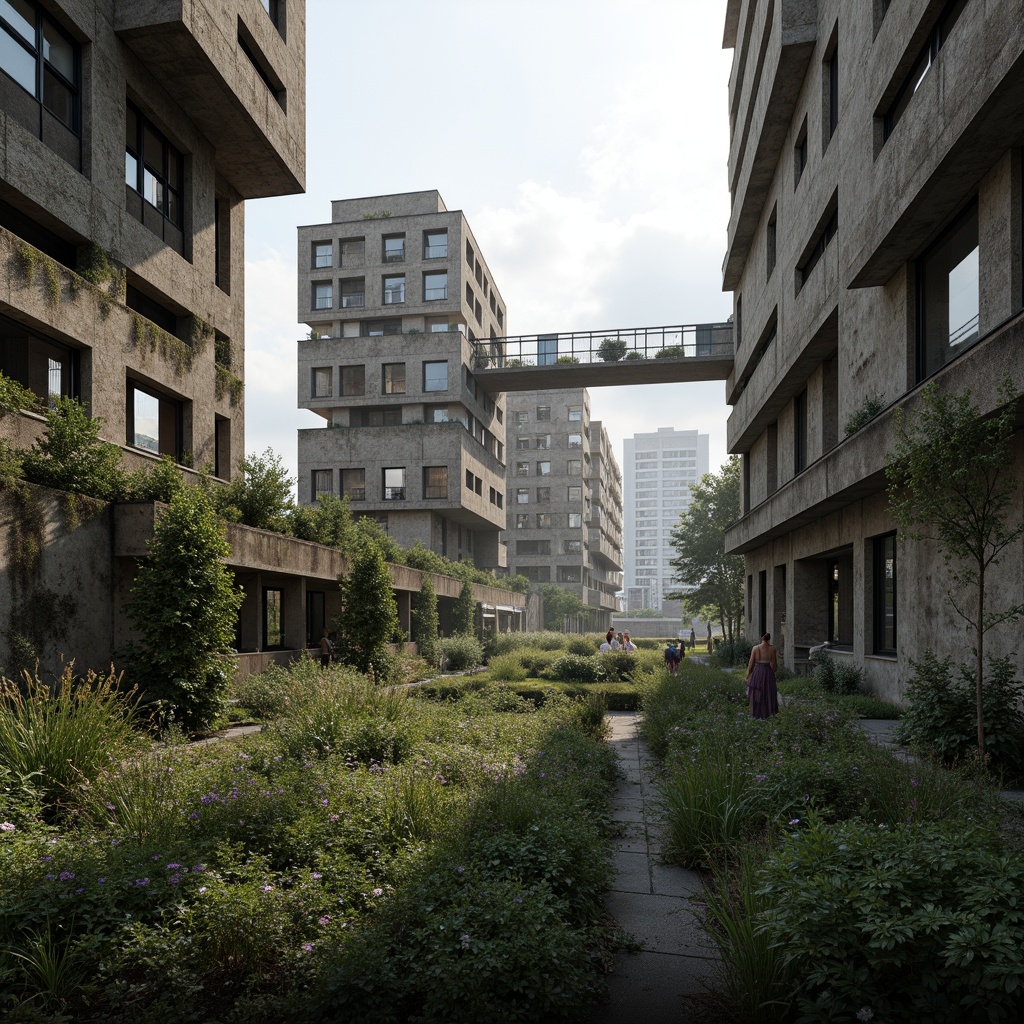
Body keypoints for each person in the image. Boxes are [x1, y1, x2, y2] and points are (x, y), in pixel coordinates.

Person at [745, 632, 779, 719]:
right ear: (769, 639)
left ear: (761, 638)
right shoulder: (772, 649)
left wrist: (748, 675)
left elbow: (751, 663)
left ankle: (757, 713)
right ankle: (768, 714)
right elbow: (774, 665)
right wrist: (773, 671)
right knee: (768, 692)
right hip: (768, 672)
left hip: (757, 672)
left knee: (757, 691)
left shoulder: (755, 648)